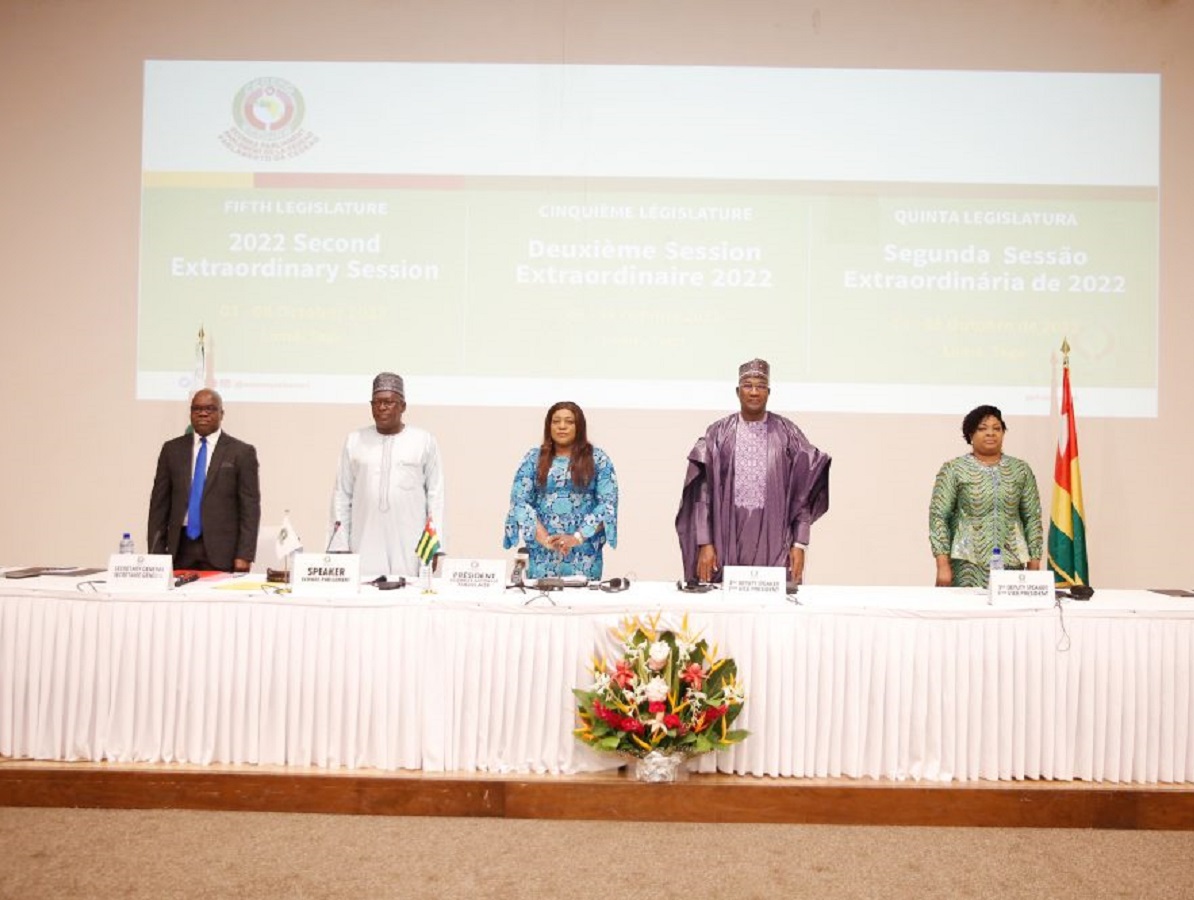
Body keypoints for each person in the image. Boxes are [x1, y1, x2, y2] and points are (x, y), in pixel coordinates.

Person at [676, 359, 831, 584]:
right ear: (738, 391)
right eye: (748, 386)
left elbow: (803, 494)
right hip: (725, 540)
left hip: (775, 540)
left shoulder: (788, 434)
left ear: (769, 392)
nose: (754, 392)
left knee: (774, 611)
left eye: (760, 386)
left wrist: (800, 543)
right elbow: (703, 494)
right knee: (725, 610)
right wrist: (705, 543)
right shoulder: (718, 433)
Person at [332, 372, 445, 580]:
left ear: (403, 406)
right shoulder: (355, 441)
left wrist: (435, 545)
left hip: (410, 542)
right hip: (364, 540)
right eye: (376, 402)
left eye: (388, 402)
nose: (381, 407)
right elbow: (342, 494)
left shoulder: (423, 441)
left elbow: (435, 495)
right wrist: (340, 545)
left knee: (408, 600)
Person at [929, 404, 1044, 588]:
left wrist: (1034, 561)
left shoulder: (1020, 470)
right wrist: (942, 565)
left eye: (997, 428)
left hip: (1011, 565)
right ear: (970, 435)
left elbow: (1032, 517)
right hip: (966, 566)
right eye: (982, 428)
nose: (991, 433)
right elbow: (938, 517)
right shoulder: (954, 469)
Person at [147, 388, 261, 572]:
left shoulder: (241, 452)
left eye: (210, 408)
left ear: (221, 413)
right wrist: (155, 553)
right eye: (197, 409)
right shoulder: (172, 450)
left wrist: (244, 555)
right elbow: (159, 506)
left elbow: (250, 509)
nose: (202, 413)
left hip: (223, 552)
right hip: (179, 548)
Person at [503, 401, 619, 580]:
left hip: (584, 551)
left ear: (579, 426)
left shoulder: (598, 459)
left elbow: (608, 504)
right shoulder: (533, 458)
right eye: (556, 421)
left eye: (569, 422)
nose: (562, 426)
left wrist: (577, 537)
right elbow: (519, 502)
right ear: (548, 426)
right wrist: (546, 539)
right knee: (541, 605)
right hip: (543, 551)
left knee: (583, 604)